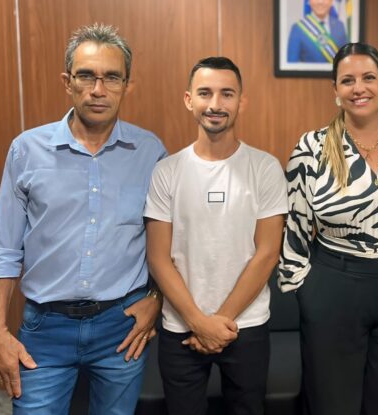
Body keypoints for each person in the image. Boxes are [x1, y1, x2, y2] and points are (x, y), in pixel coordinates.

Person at [0, 23, 167, 414]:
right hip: (45, 330)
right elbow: (3, 248)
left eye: (112, 78)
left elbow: (167, 242)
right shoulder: (26, 150)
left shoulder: (150, 152)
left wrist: (156, 299)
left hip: (122, 326)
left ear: (126, 85)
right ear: (68, 82)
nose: (98, 90)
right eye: (86, 76)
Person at [278, 42, 378, 415]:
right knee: (333, 404)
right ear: (335, 90)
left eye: (368, 78)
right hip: (334, 284)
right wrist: (304, 291)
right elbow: (294, 227)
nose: (358, 87)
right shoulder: (311, 147)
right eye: (347, 80)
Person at [144, 56, 287, 415]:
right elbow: (158, 257)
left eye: (227, 94)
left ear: (242, 101)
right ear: (189, 99)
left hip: (245, 325)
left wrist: (218, 323)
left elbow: (267, 253)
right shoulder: (167, 171)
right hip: (181, 327)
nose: (216, 104)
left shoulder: (265, 168)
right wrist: (198, 322)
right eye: (205, 93)